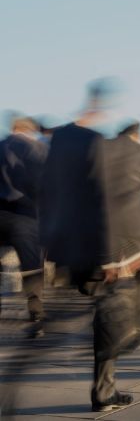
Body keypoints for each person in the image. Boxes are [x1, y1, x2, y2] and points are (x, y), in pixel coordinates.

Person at [38, 81, 140, 412]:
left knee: (110, 310)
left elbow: (48, 197)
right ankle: (106, 352)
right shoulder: (131, 152)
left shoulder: (65, 147)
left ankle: (104, 385)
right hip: (121, 256)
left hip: (79, 253)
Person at [0, 115, 47, 328]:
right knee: (31, 264)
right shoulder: (35, 149)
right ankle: (35, 310)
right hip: (25, 215)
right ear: (29, 130)